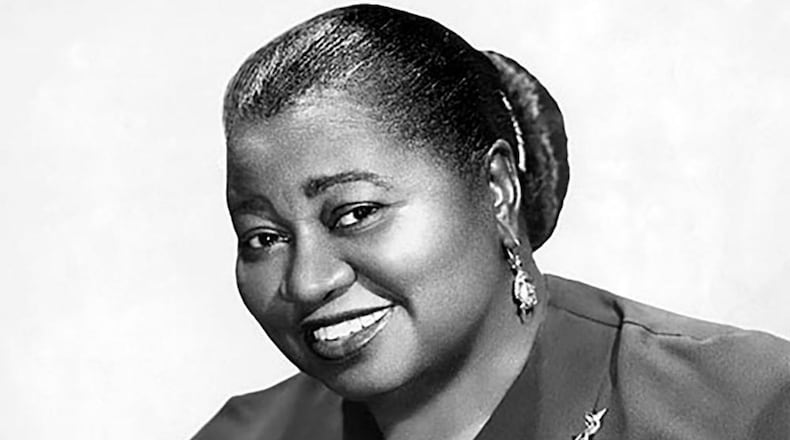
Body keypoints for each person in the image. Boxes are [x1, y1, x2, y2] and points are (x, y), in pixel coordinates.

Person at [194, 4, 790, 439]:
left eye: (355, 213)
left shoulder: (743, 407)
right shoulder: (249, 434)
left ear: (497, 188)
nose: (305, 282)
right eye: (263, 238)